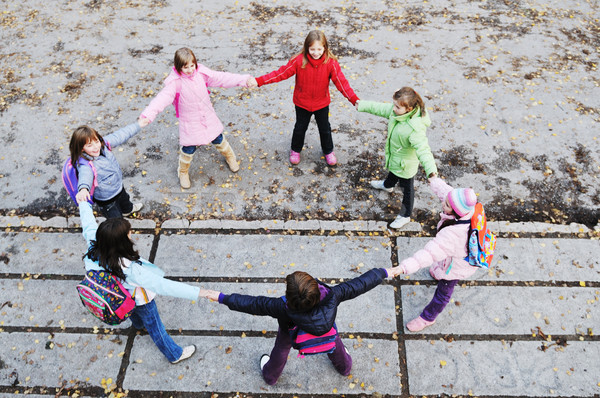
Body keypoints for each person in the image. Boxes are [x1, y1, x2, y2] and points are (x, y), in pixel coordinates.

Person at [199, 267, 397, 385]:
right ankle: (344, 367)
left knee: (281, 350)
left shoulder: (281, 307)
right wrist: (384, 272)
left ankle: (270, 376)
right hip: (326, 329)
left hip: (291, 333)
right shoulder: (334, 295)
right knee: (334, 342)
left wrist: (221, 297)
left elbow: (253, 303)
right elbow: (360, 283)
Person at [77, 199, 203, 363]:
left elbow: (88, 224)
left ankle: (137, 324)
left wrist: (83, 202)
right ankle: (174, 354)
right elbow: (164, 286)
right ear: (121, 242)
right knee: (156, 328)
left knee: (133, 312)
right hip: (141, 299)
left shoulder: (94, 246)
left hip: (119, 297)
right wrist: (200, 292)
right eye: (128, 233)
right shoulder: (129, 268)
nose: (131, 234)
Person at [140, 47, 253, 188]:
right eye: (185, 67)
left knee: (218, 138)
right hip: (190, 121)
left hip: (207, 116)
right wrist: (148, 115)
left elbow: (222, 78)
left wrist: (244, 80)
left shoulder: (202, 74)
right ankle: (183, 171)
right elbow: (162, 99)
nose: (190, 70)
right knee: (189, 148)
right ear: (178, 66)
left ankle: (230, 156)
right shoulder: (175, 82)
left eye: (192, 65)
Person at [249, 30, 359, 166]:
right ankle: (295, 150)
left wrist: (354, 99)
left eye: (319, 49)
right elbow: (280, 74)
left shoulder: (330, 63)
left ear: (325, 47)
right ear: (307, 47)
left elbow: (342, 83)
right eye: (312, 49)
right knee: (300, 128)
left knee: (325, 129)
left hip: (321, 104)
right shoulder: (299, 61)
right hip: (302, 103)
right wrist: (259, 81)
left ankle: (328, 151)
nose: (316, 52)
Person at [395, 177, 479, 332]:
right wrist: (433, 179)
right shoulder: (466, 207)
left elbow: (429, 253)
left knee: (443, 294)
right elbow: (446, 192)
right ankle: (438, 272)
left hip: (456, 267)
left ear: (455, 211)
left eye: (446, 204)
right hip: (452, 256)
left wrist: (404, 268)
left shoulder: (453, 235)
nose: (443, 203)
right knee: (441, 264)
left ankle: (428, 318)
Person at [356, 87, 438, 229]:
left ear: (409, 108)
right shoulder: (397, 112)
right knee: (393, 172)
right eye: (394, 105)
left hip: (406, 165)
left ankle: (405, 215)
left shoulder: (414, 129)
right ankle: (388, 185)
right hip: (396, 158)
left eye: (397, 107)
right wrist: (362, 105)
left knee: (407, 189)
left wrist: (431, 171)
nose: (393, 109)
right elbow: (379, 108)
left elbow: (424, 150)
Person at [70, 117, 149, 218]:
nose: (96, 147)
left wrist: (138, 125)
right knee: (116, 220)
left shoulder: (104, 144)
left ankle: (128, 210)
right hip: (107, 200)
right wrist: (83, 189)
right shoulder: (85, 164)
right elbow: (85, 176)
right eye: (89, 145)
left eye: (96, 141)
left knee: (125, 202)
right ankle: (119, 229)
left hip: (118, 187)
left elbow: (120, 135)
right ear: (81, 149)